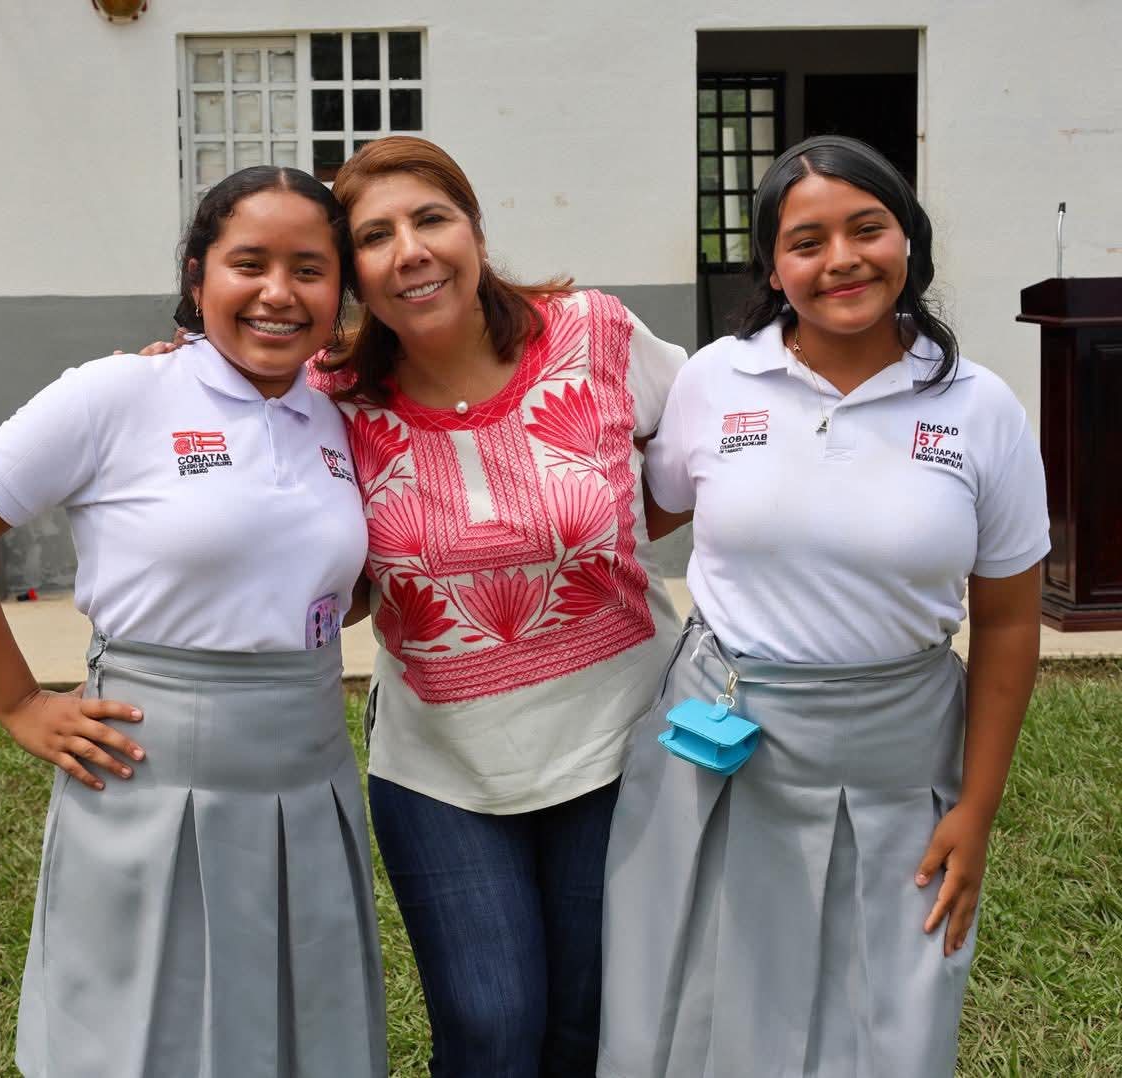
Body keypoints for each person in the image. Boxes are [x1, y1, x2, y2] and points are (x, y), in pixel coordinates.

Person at [0, 166, 386, 1077]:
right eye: (249, 263)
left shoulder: (335, 418)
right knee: (142, 1034)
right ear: (198, 277)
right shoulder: (117, 395)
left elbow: (332, 581)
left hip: (309, 771)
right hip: (152, 773)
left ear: (340, 294)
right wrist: (18, 703)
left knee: (300, 1025)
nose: (278, 293)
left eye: (309, 269)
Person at [597, 135, 1049, 1078]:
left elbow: (1009, 622)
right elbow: (633, 509)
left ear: (909, 239)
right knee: (691, 1019)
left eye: (867, 229)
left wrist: (976, 809)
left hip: (899, 763)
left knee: (884, 1028)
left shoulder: (980, 407)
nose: (841, 259)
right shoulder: (716, 380)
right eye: (806, 242)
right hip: (720, 756)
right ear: (773, 267)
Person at [318, 136, 688, 1076]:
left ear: (476, 233)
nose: (411, 250)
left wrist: (601, 531)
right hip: (443, 767)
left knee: (590, 1026)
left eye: (431, 219)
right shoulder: (329, 399)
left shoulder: (593, 332)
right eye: (375, 236)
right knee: (490, 1029)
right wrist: (165, 371)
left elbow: (709, 441)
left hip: (623, 742)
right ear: (352, 274)